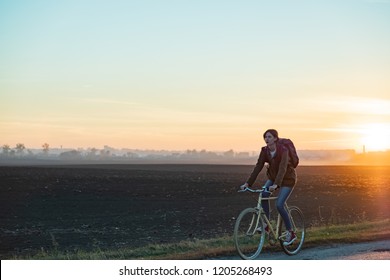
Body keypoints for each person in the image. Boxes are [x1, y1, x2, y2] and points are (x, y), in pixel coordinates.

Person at [239, 129, 297, 245]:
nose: (267, 139)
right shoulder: (265, 151)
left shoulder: (283, 150)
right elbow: (258, 167)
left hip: (287, 179)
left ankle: (291, 233)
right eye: (265, 137)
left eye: (269, 137)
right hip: (273, 178)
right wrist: (248, 183)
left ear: (275, 138)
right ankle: (266, 226)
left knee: (279, 205)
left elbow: (283, 168)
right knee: (264, 194)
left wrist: (277, 184)